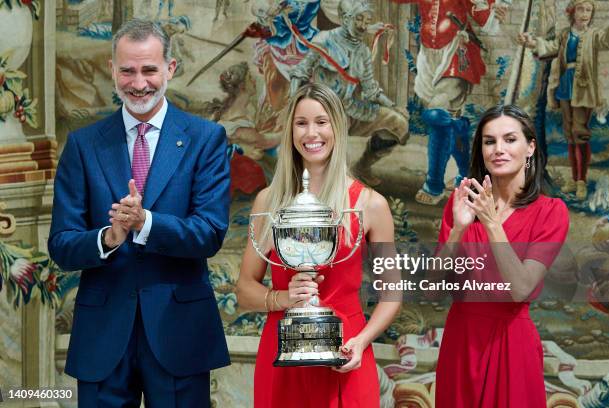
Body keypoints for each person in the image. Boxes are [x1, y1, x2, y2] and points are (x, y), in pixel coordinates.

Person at [48, 19, 230, 407]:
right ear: (112, 70)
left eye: (149, 69)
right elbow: (61, 245)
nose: (138, 82)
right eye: (127, 71)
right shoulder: (82, 145)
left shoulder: (205, 139)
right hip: (102, 338)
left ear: (170, 69)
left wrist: (145, 223)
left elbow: (210, 233)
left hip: (179, 335)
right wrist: (108, 237)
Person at [235, 82, 401, 407]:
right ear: (290, 131)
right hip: (282, 351)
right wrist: (283, 297)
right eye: (301, 123)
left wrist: (362, 341)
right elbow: (244, 290)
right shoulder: (268, 201)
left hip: (346, 351)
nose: (312, 133)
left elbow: (392, 294)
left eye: (321, 122)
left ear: (337, 127)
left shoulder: (371, 204)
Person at [434, 105, 569, 407]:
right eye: (489, 141)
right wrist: (458, 229)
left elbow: (521, 288)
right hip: (461, 344)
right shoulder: (460, 205)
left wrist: (492, 224)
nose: (498, 149)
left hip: (512, 344)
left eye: (510, 139)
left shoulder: (551, 212)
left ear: (530, 147)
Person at [392, 0, 507, 205]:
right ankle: (468, 174)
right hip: (429, 57)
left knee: (437, 115)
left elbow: (484, 19)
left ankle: (434, 185)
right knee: (452, 120)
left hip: (455, 53)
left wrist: (493, 8)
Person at [289, 0, 409, 187]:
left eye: (367, 21)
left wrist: (394, 107)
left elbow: (371, 90)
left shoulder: (363, 51)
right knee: (338, 169)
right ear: (345, 19)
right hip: (325, 112)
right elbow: (299, 72)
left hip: (353, 109)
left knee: (399, 124)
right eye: (358, 19)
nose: (363, 25)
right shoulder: (324, 40)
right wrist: (294, 107)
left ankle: (363, 166)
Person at [518, 0, 609, 201]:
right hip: (565, 88)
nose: (584, 14)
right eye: (581, 9)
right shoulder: (564, 34)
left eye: (588, 10)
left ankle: (582, 181)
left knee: (580, 134)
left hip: (583, 90)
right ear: (573, 12)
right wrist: (532, 42)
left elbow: (608, 39)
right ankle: (573, 179)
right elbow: (550, 47)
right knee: (569, 134)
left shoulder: (594, 34)